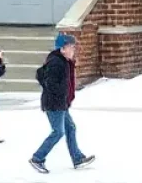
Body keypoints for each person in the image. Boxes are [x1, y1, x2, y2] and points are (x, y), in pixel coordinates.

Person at [29, 33, 94, 174]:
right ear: (62, 48)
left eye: (73, 47)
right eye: (71, 47)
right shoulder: (56, 62)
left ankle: (77, 158)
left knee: (70, 128)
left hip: (61, 103)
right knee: (58, 132)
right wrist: (60, 94)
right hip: (54, 104)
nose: (73, 50)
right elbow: (48, 81)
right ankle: (37, 158)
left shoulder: (64, 61)